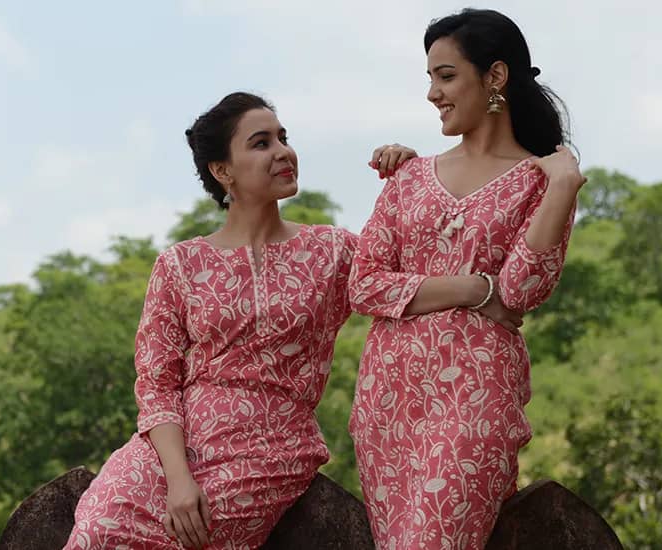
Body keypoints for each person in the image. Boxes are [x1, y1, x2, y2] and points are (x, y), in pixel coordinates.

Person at [64, 92, 412, 549]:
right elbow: (157, 384)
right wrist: (178, 479)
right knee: (96, 531)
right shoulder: (180, 264)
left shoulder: (333, 253)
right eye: (261, 142)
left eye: (283, 138)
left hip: (270, 449)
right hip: (170, 449)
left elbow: (408, 268)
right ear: (222, 170)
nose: (283, 152)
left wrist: (408, 180)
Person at [348, 9, 586, 549]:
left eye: (446, 75)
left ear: (495, 77)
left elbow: (523, 290)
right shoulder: (408, 176)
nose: (433, 92)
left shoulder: (542, 180)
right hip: (388, 403)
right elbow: (365, 284)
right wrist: (477, 289)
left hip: (475, 402)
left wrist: (563, 186)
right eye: (430, 78)